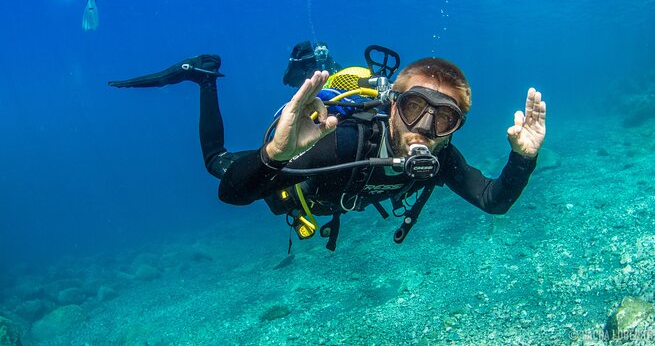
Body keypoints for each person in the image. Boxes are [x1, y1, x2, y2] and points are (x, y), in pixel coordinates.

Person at [109, 51, 546, 251]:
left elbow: (493, 200)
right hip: (294, 160)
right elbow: (231, 193)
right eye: (414, 108)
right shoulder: (340, 143)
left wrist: (522, 157)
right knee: (214, 163)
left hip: (321, 189)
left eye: (443, 119)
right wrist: (275, 156)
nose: (425, 131)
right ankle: (204, 77)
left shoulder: (441, 158)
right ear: (393, 105)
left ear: (455, 129)